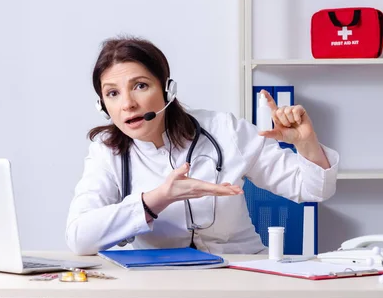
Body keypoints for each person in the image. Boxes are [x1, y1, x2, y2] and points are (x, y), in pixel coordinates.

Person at [66, 36, 338, 255]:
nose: (127, 104)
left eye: (140, 86)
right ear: (103, 106)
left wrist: (306, 143)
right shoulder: (107, 151)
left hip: (243, 276)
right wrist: (158, 199)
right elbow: (79, 238)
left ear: (167, 90)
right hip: (160, 287)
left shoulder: (225, 130)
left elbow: (313, 189)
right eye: (112, 93)